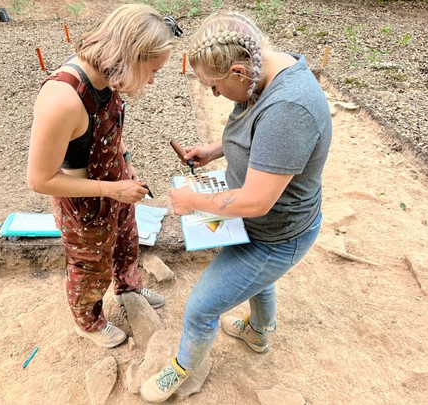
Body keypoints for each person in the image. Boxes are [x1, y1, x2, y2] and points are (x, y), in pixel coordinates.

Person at [141, 11, 332, 403]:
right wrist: (215, 150)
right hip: (262, 226)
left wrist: (194, 201)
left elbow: (257, 201)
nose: (214, 94)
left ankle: (181, 369)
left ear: (238, 71)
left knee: (199, 308)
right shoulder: (268, 72)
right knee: (258, 282)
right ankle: (258, 333)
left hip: (274, 236)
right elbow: (258, 140)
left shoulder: (288, 109)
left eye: (214, 86)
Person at [27, 4, 181, 349]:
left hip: (115, 185)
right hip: (83, 203)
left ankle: (129, 287)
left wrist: (125, 162)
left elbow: (109, 129)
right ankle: (89, 321)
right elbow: (39, 180)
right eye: (153, 70)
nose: (154, 79)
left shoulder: (108, 75)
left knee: (127, 243)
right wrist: (112, 188)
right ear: (130, 55)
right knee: (90, 267)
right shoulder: (63, 99)